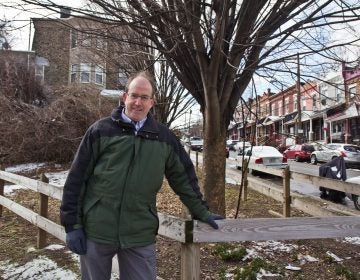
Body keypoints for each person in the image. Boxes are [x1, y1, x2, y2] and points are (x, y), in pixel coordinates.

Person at [60, 71, 223, 280]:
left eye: (144, 97)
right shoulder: (100, 131)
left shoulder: (164, 138)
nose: (138, 102)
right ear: (124, 97)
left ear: (152, 102)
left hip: (139, 233)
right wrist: (72, 225)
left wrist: (201, 211)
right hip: (97, 231)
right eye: (134, 95)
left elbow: (184, 179)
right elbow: (76, 180)